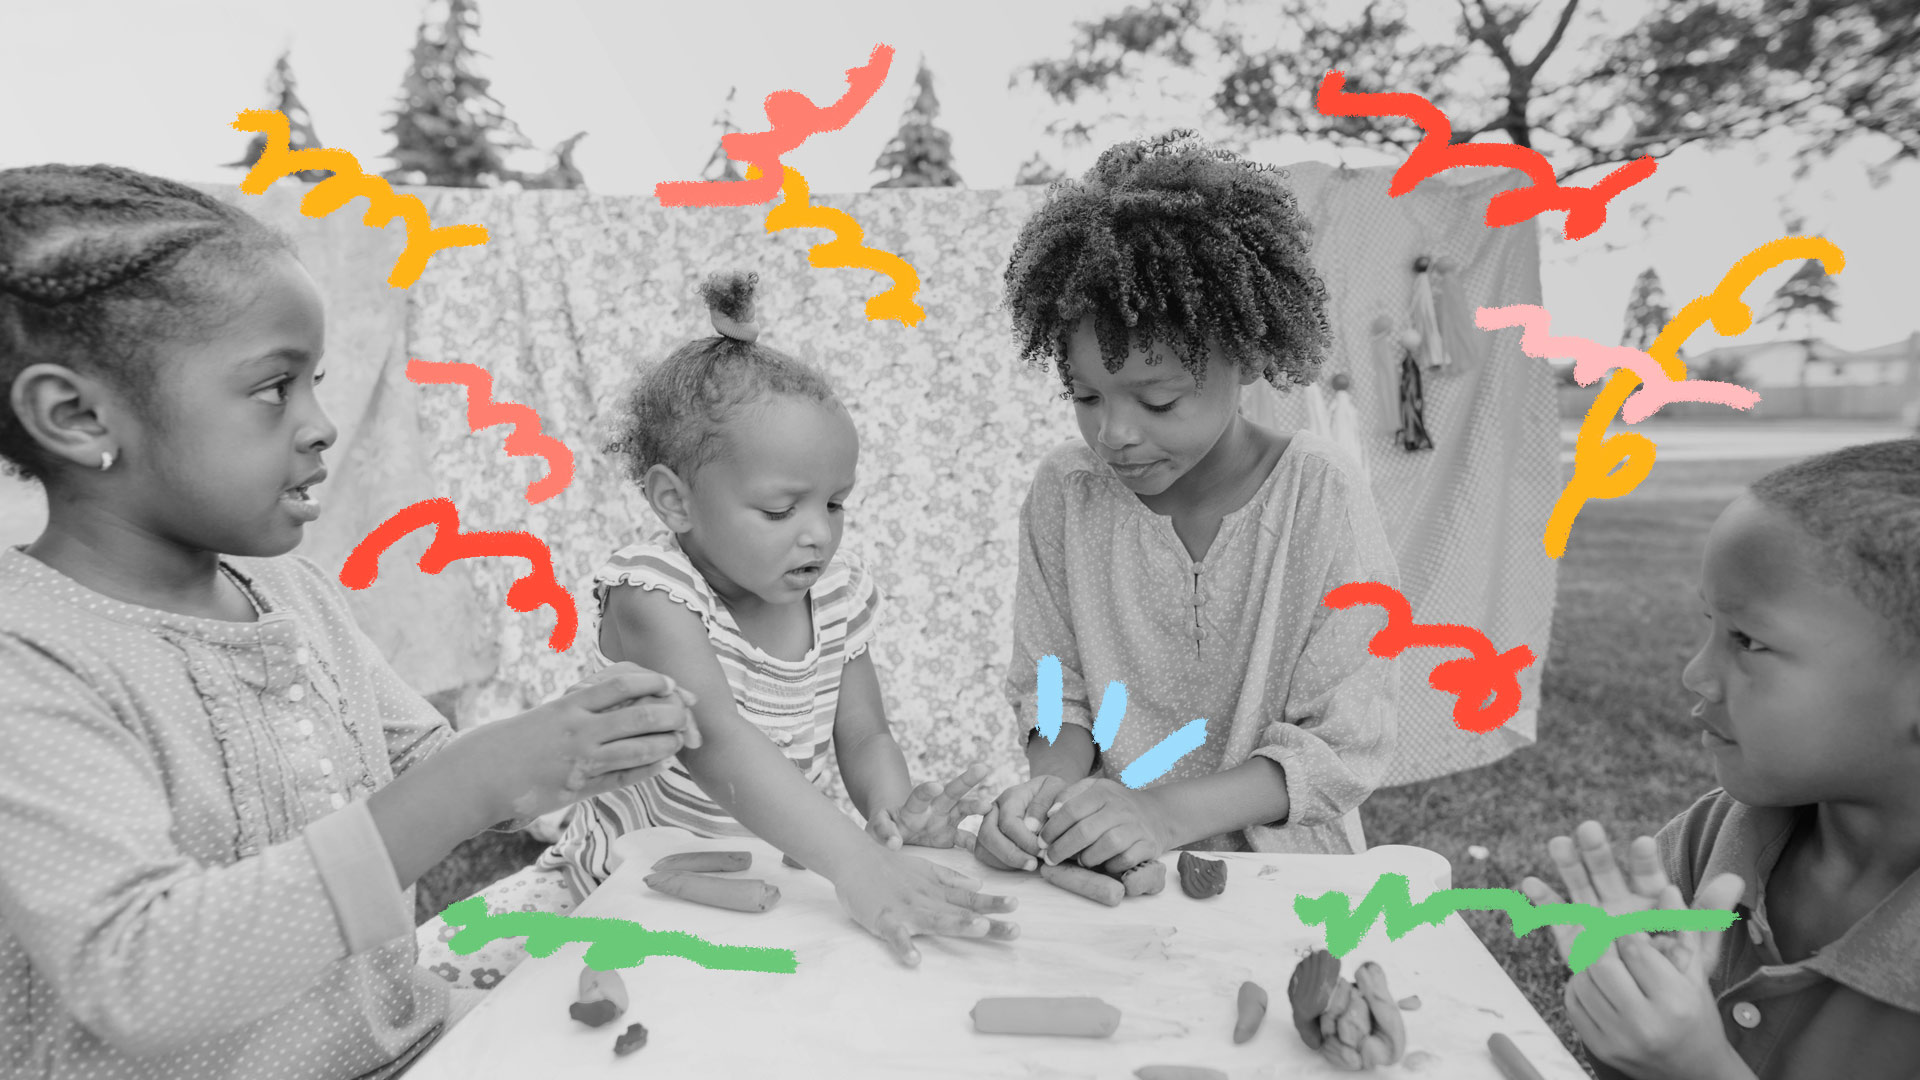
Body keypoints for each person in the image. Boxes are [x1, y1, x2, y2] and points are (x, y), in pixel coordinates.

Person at [0, 163, 699, 1079]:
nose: (322, 424)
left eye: (316, 383)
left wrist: (567, 750)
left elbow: (421, 769)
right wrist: (469, 786)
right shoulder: (32, 659)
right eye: (272, 388)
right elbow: (140, 970)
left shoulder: (295, 598)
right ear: (78, 415)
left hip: (402, 1045)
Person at [533, 271, 1017, 966]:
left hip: (781, 882)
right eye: (780, 510)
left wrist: (892, 814)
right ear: (675, 501)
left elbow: (865, 733)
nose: (817, 534)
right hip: (641, 887)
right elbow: (717, 740)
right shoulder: (653, 595)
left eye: (835, 504)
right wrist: (855, 863)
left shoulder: (838, 595)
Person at [976, 131, 1399, 883]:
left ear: (1242, 356)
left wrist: (1161, 816)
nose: (1115, 434)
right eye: (1084, 396)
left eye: (1159, 398)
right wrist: (1049, 795)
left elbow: (1344, 743)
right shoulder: (1066, 495)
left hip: (1288, 884)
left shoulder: (1321, 495)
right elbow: (1054, 690)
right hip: (1107, 869)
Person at [1520, 439, 1920, 1080]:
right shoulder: (1710, 842)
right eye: (1709, 626)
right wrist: (1632, 1013)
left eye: (1749, 641)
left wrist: (1698, 1068)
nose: (1695, 674)